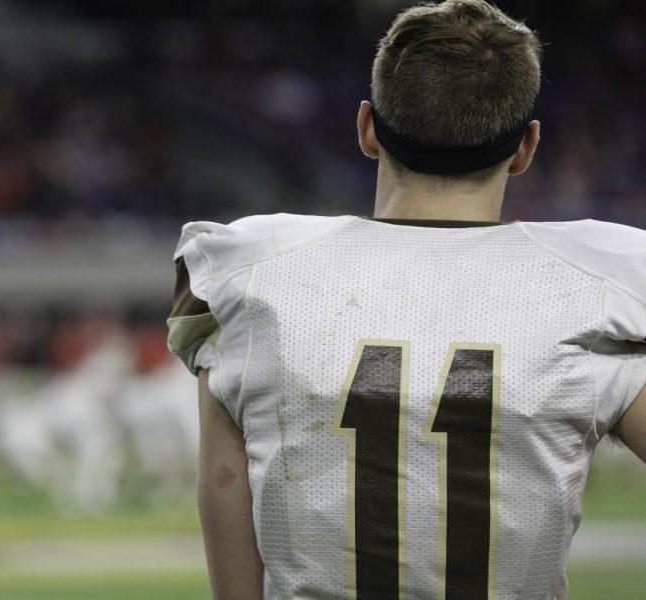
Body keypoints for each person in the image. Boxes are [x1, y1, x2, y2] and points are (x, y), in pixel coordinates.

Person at [166, 1, 646, 598]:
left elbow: (223, 476)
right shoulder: (594, 287)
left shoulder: (254, 277)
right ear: (526, 148)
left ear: (367, 128)